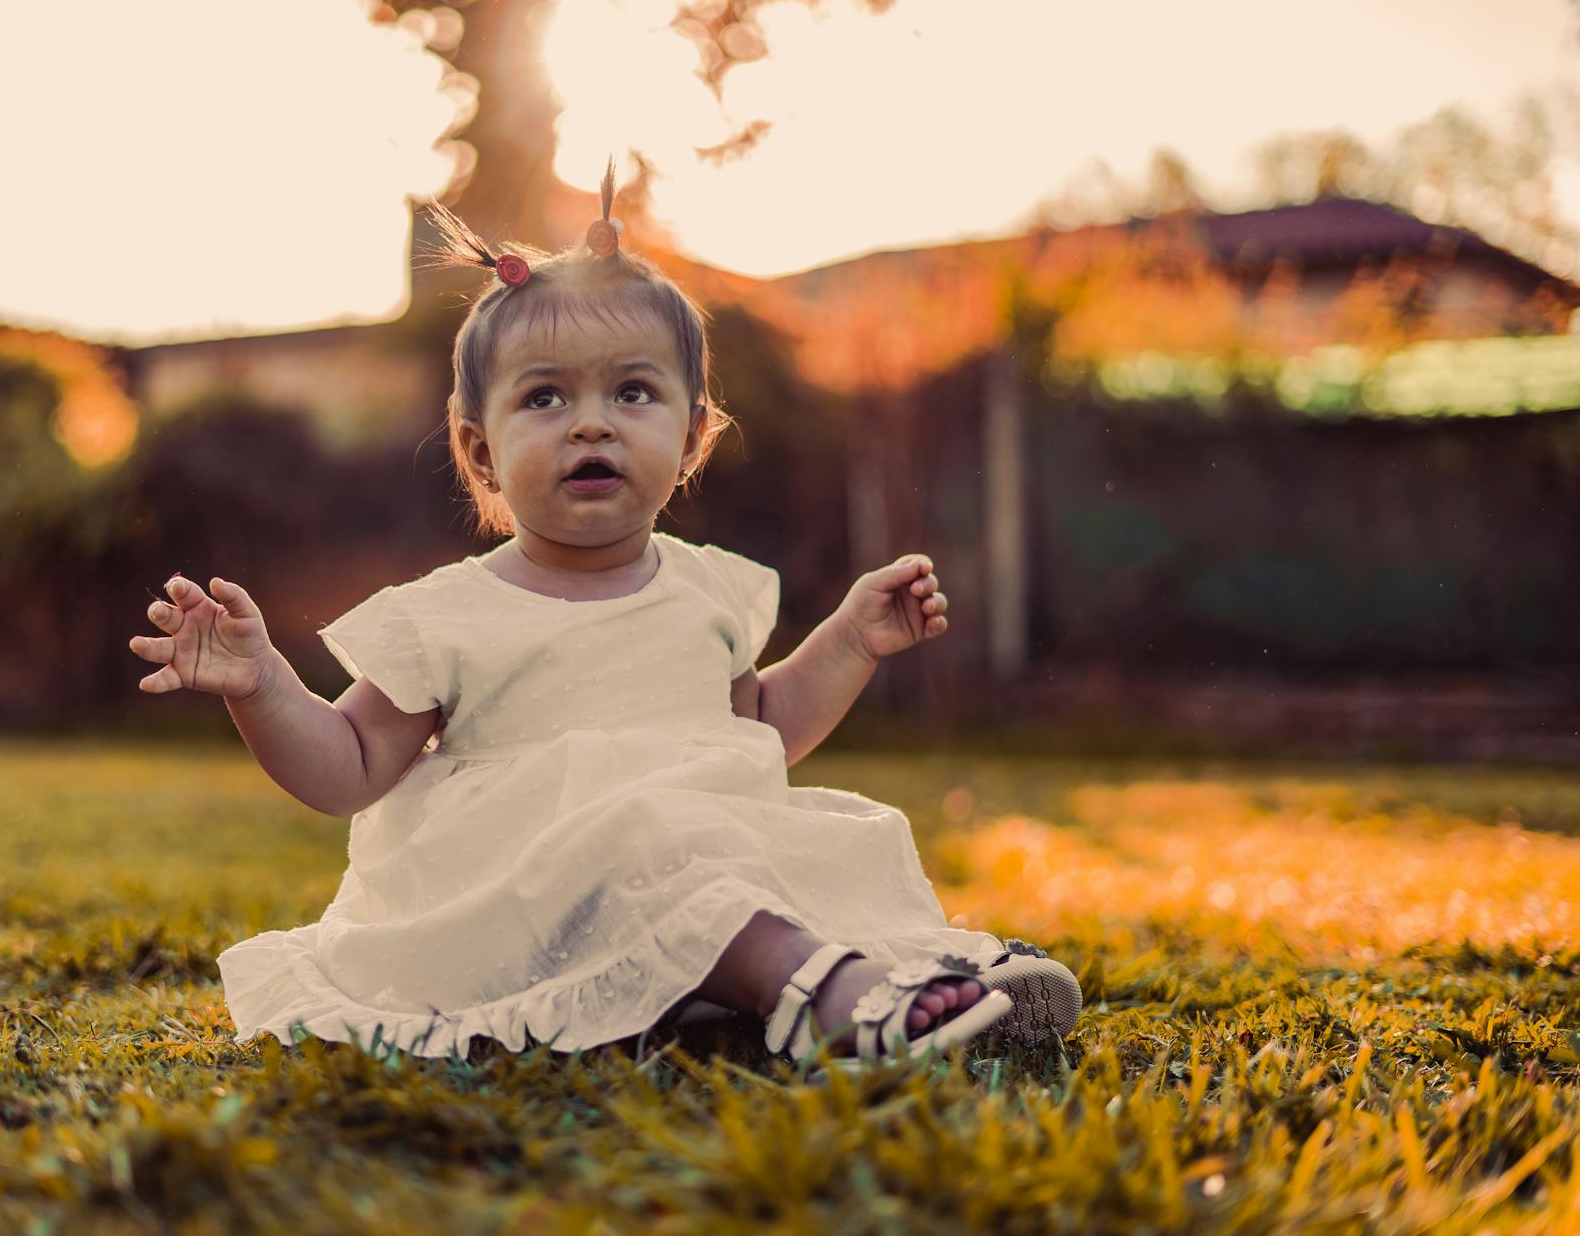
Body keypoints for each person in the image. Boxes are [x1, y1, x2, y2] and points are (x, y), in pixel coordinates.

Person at [127, 159, 1079, 1078]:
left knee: (773, 850)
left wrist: (849, 641)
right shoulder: (453, 614)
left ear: (693, 432)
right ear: (481, 449)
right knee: (657, 853)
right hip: (535, 902)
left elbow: (754, 737)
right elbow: (348, 769)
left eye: (632, 391)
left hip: (686, 868)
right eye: (545, 397)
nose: (592, 424)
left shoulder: (710, 591)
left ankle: (905, 968)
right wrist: (262, 685)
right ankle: (844, 997)